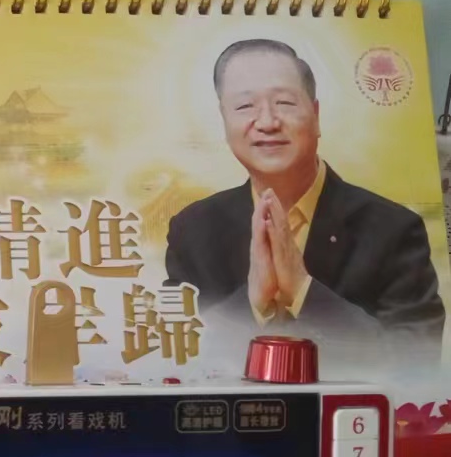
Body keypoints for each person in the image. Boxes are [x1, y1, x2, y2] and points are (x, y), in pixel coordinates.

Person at [164, 39, 444, 358]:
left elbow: (418, 359)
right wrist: (251, 303)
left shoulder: (394, 230)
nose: (267, 123)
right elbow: (177, 357)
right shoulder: (193, 230)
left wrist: (302, 290)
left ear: (316, 115)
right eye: (244, 107)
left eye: (284, 103)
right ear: (225, 121)